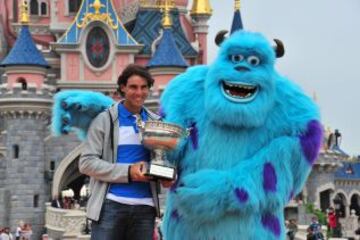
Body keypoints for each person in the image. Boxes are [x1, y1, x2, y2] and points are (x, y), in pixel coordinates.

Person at [79, 64, 172, 240]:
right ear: (123, 88)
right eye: (133, 87)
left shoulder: (157, 122)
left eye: (144, 87)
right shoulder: (104, 120)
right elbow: (86, 163)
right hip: (111, 206)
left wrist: (167, 174)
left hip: (146, 208)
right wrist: (128, 172)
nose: (139, 93)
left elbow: (164, 159)